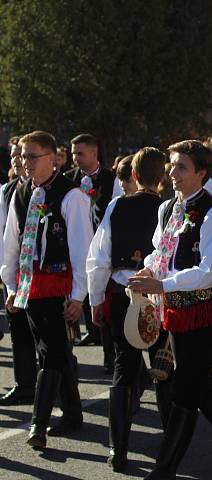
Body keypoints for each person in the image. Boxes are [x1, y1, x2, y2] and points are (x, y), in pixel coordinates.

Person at [129, 140, 212, 480]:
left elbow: (209, 270)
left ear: (201, 172)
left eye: (181, 167)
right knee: (192, 385)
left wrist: (162, 281)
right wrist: (146, 273)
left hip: (200, 309)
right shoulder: (168, 207)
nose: (173, 173)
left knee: (185, 388)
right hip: (170, 304)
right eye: (172, 166)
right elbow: (159, 249)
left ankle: (165, 471)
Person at [1, 130, 93, 448]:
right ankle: (72, 414)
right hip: (29, 285)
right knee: (53, 350)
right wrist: (11, 285)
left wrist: (79, 294)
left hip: (59, 285)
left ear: (52, 158)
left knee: (51, 354)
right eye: (23, 156)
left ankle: (38, 425)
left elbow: (83, 249)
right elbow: (10, 244)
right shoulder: (21, 192)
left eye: (32, 156)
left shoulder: (71, 196)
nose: (25, 163)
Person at [86, 147, 173, 471]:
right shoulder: (169, 209)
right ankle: (170, 444)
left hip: (125, 292)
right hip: (158, 294)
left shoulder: (118, 205)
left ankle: (118, 448)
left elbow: (99, 257)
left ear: (133, 175)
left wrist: (96, 300)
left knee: (125, 367)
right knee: (163, 368)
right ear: (162, 176)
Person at [66, 134, 121, 379]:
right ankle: (71, 352)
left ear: (93, 153)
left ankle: (110, 355)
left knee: (104, 301)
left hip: (103, 248)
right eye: (73, 153)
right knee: (76, 298)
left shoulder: (111, 179)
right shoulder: (68, 181)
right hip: (76, 247)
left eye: (80, 153)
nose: (75, 158)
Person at [0, 137, 37, 406]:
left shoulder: (59, 191)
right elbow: (5, 235)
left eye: (23, 155)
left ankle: (59, 386)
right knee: (19, 330)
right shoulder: (8, 190)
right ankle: (24, 384)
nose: (18, 161)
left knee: (50, 339)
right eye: (14, 156)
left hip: (46, 274)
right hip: (17, 271)